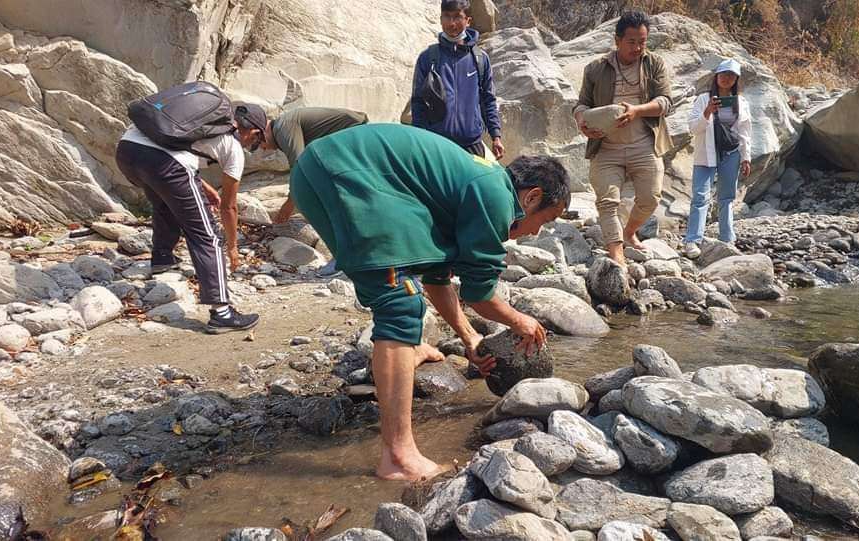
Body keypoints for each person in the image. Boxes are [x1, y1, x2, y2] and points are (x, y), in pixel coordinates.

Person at [289, 123, 570, 480]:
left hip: (323, 169)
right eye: (547, 219)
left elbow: (438, 279)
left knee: (401, 292)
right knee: (398, 303)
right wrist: (521, 321)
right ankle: (398, 458)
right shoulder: (496, 196)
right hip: (346, 170)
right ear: (531, 197)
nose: (538, 230)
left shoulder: (478, 184)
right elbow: (478, 294)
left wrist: (470, 339)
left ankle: (405, 350)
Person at [115, 102, 267, 334]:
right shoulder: (233, 146)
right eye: (255, 143)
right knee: (208, 236)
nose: (251, 147)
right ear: (253, 132)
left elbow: (180, 156)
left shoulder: (201, 123)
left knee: (165, 202)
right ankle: (222, 312)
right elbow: (229, 207)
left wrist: (205, 189)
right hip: (163, 162)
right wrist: (233, 246)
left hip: (127, 151)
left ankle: (162, 258)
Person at [573, 10, 673, 266]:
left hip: (644, 145)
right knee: (607, 202)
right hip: (606, 147)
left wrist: (638, 110)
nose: (638, 47)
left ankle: (629, 231)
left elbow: (665, 102)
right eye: (632, 42)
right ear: (617, 40)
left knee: (650, 198)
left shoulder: (655, 64)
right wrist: (582, 123)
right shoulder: (596, 68)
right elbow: (581, 104)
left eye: (643, 41)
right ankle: (616, 253)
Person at [411, 0, 504, 159]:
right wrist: (421, 139)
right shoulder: (428, 58)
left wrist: (496, 136)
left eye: (457, 17)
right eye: (447, 16)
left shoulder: (480, 59)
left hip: (472, 145)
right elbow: (418, 102)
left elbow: (488, 99)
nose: (452, 23)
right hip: (436, 145)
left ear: (468, 21)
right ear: (440, 19)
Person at [682, 58, 753, 259]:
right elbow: (693, 128)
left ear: (736, 79)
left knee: (727, 198)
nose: (726, 79)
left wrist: (746, 157)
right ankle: (692, 240)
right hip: (706, 154)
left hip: (731, 153)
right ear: (717, 76)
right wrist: (707, 113)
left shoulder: (741, 102)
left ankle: (727, 238)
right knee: (700, 196)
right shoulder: (704, 99)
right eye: (723, 74)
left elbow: (745, 131)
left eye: (731, 76)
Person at [262, 107, 369, 224]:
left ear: (263, 131)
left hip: (353, 132)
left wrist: (289, 205)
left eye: (257, 142)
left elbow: (299, 167)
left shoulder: (282, 127)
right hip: (348, 135)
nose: (263, 149)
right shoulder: (283, 126)